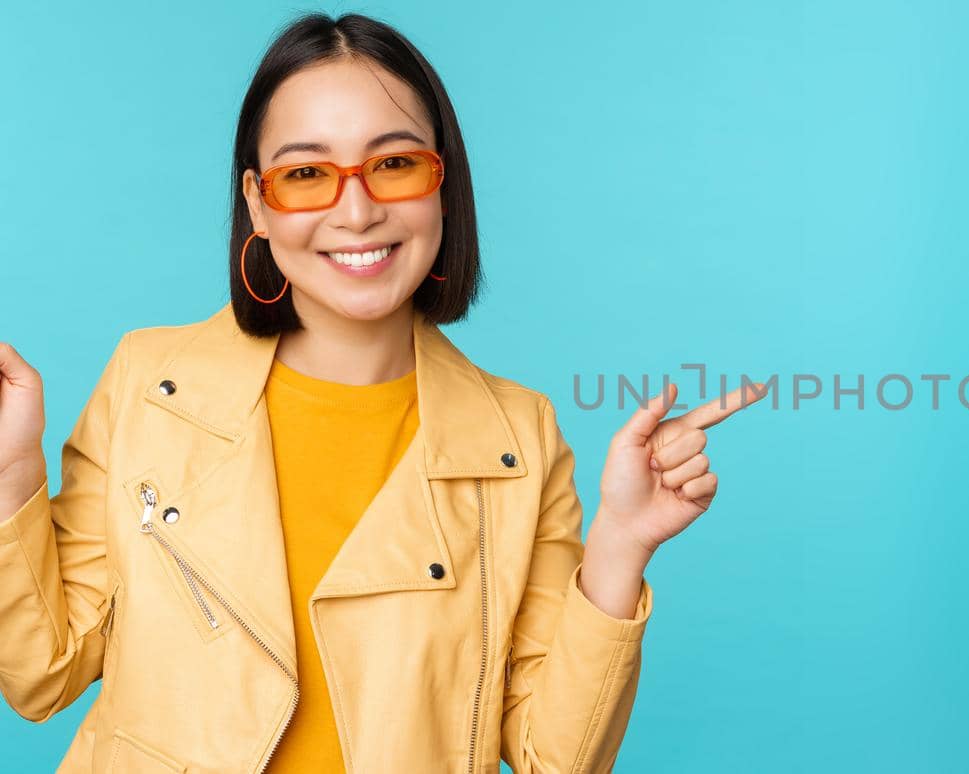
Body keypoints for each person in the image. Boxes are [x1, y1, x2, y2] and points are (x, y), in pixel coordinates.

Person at [0, 12, 763, 772]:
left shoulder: (519, 438)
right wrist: (11, 478)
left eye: (394, 164)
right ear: (259, 205)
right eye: (306, 175)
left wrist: (620, 547)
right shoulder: (148, 384)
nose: (357, 211)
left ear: (443, 183)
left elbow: (551, 759)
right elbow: (41, 676)